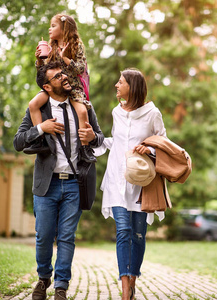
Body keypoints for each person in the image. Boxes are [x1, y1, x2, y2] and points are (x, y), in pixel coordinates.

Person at [13, 61, 104, 300]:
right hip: (47, 184)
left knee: (66, 237)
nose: (64, 77)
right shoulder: (39, 112)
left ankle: (61, 286)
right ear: (47, 86)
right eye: (57, 76)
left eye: (63, 73)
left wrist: (93, 136)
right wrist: (41, 128)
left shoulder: (82, 106)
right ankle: (44, 278)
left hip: (75, 183)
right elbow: (18, 142)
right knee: (43, 235)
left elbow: (100, 138)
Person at [96, 68, 166, 300]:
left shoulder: (151, 113)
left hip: (141, 182)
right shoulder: (117, 112)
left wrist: (150, 148)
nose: (116, 85)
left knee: (138, 234)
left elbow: (163, 142)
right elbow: (116, 140)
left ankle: (133, 279)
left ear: (132, 87)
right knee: (123, 231)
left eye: (121, 82)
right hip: (117, 178)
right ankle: (125, 291)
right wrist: (95, 141)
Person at [24, 13, 96, 163]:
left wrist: (65, 59)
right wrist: (39, 61)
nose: (49, 29)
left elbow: (80, 69)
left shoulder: (77, 46)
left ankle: (85, 149)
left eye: (53, 26)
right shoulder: (51, 47)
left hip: (73, 87)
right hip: (55, 88)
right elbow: (44, 76)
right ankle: (40, 141)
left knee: (82, 111)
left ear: (64, 28)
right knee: (33, 104)